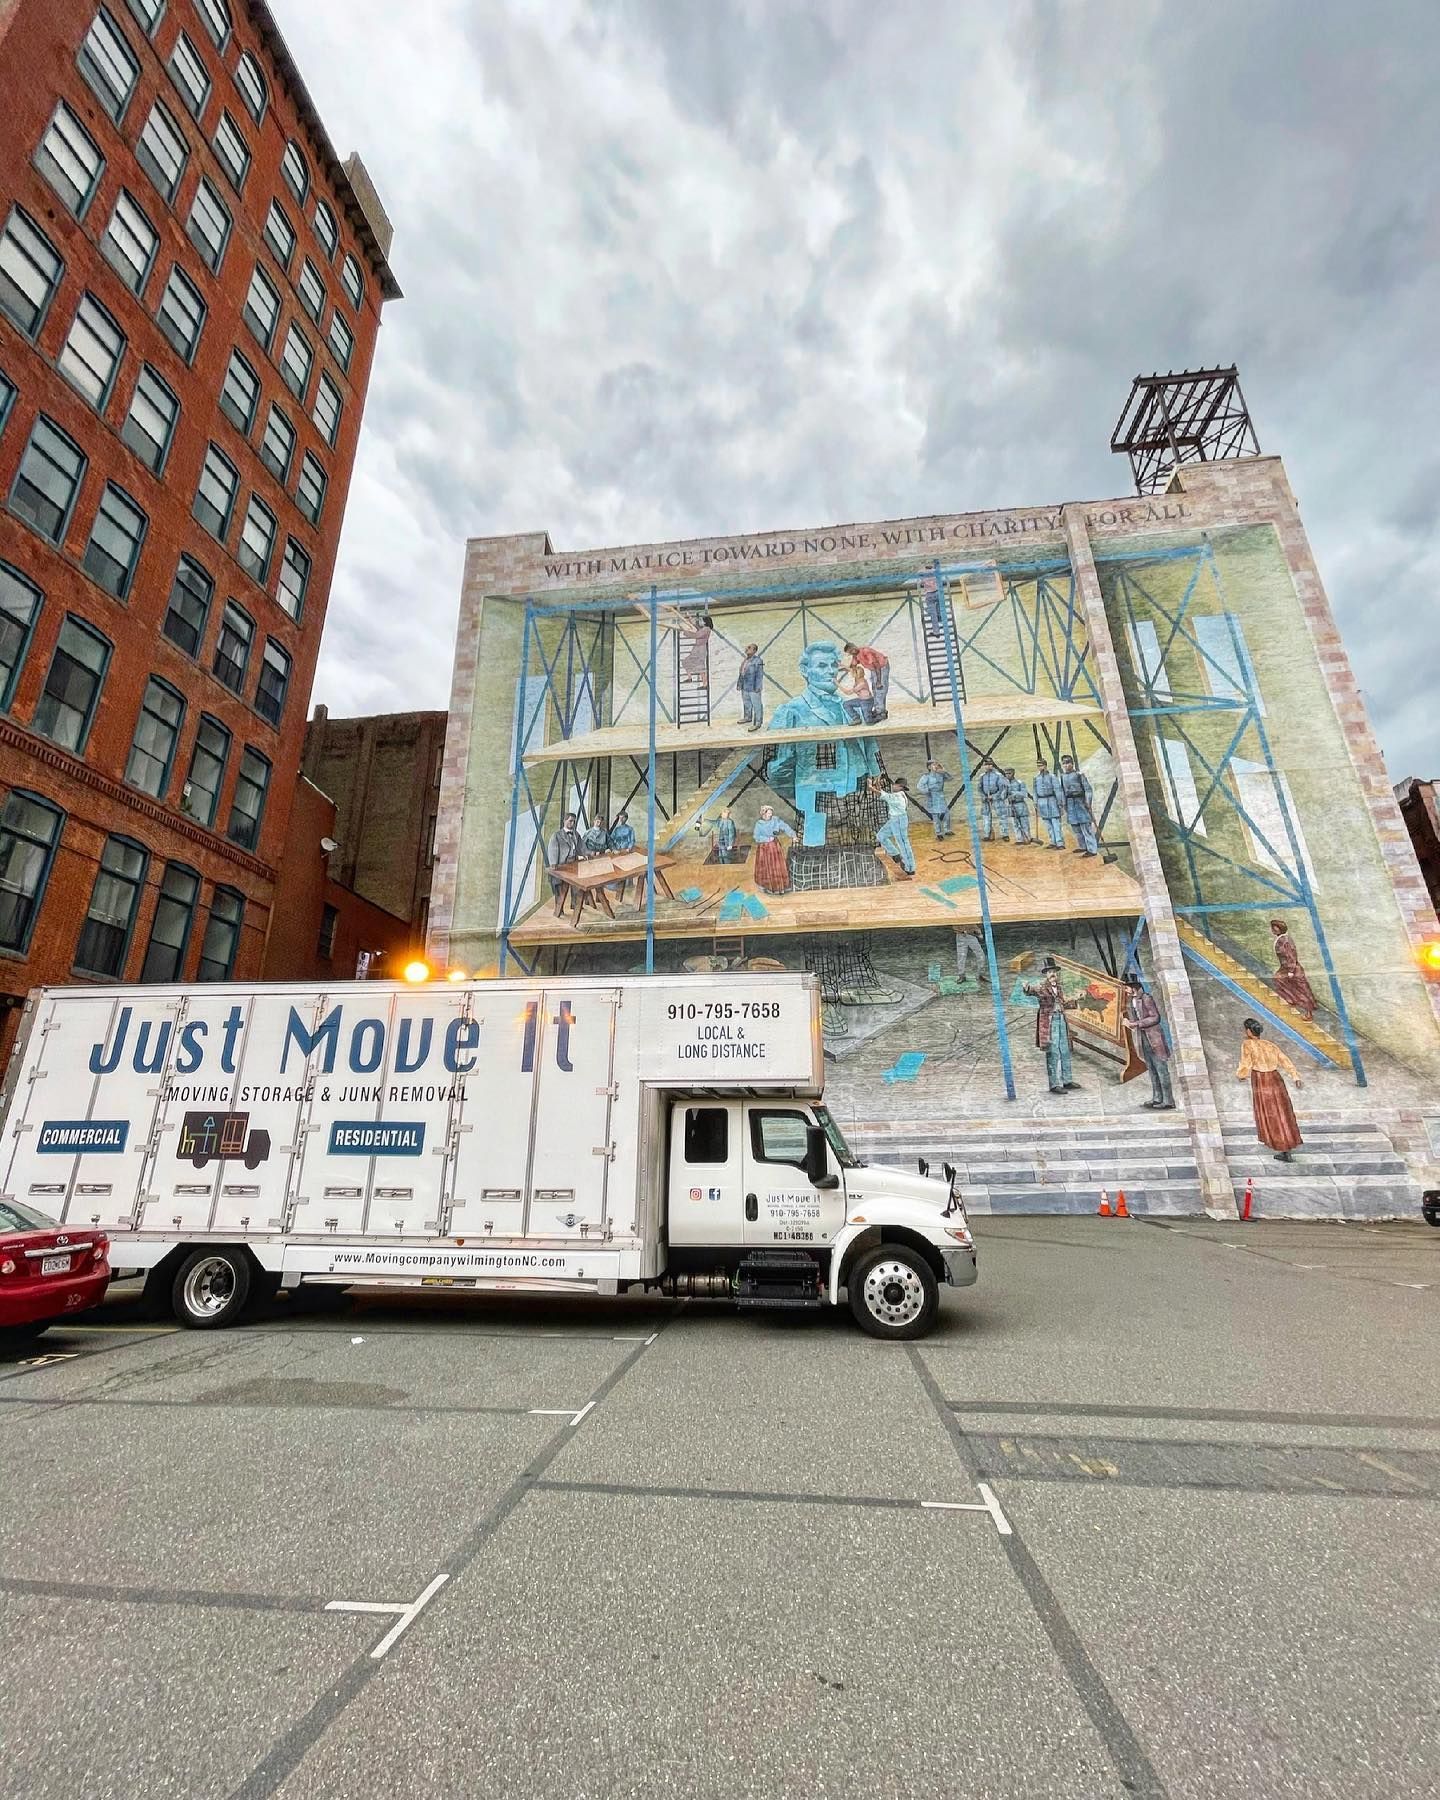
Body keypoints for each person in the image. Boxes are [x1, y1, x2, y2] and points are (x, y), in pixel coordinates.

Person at [767, 642, 883, 847]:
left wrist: (875, 772)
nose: (830, 671)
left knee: (860, 853)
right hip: (817, 798)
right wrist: (804, 788)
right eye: (821, 666)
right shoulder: (791, 710)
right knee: (816, 853)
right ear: (805, 670)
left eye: (833, 665)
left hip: (856, 795)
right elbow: (777, 769)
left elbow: (869, 741)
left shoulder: (852, 706)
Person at [1236, 1017, 1303, 1160]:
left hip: (1261, 1080)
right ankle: (1286, 1146)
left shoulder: (1247, 1044)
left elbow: (1246, 1062)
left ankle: (1281, 1145)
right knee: (1282, 1111)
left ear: (1248, 1031)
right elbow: (1284, 1060)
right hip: (1275, 1078)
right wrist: (1295, 1076)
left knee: (1270, 1112)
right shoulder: (1270, 1045)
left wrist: (1241, 1074)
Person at [1023, 956, 1080, 1093]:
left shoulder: (1059, 987)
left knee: (1065, 1050)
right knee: (1053, 1052)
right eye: (1049, 972)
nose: (1052, 974)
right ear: (1046, 974)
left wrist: (1076, 999)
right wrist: (1026, 988)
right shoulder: (1042, 987)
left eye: (1054, 971)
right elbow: (1032, 991)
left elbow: (1063, 1003)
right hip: (1050, 1023)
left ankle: (1067, 1080)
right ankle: (1054, 1084)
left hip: (1061, 1020)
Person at [1122, 972, 1174, 1109]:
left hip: (1154, 1038)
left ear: (1133, 987)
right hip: (1143, 1038)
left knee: (1161, 1069)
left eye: (1126, 987)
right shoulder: (1132, 1001)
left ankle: (1168, 1100)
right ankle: (1157, 1097)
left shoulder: (1146, 999)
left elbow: (1155, 1018)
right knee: (1151, 1069)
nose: (1125, 990)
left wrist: (1136, 1024)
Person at [1269, 919, 1317, 1020]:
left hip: (1292, 968)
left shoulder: (1284, 940)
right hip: (1285, 967)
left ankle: (1308, 1013)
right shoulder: (1281, 939)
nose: (1273, 929)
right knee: (1278, 979)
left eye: (1274, 928)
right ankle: (1291, 999)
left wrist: (1291, 971)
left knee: (1301, 990)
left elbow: (1291, 956)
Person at [876, 778, 916, 878]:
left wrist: (873, 788)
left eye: (895, 785)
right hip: (894, 820)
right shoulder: (897, 795)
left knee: (903, 843)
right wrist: (877, 785)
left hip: (899, 820)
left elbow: (885, 796)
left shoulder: (898, 796)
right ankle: (895, 854)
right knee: (881, 836)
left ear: (900, 787)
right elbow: (885, 795)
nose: (893, 786)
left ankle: (910, 868)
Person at [1059, 755, 1098, 856]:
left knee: (1085, 826)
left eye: (1068, 763)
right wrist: (1064, 804)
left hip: (1080, 802)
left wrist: (1088, 802)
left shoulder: (1079, 775)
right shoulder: (1062, 777)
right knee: (1076, 827)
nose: (1066, 765)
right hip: (1070, 804)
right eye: (1064, 763)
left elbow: (1088, 790)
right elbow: (1062, 791)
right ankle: (1083, 846)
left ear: (1072, 763)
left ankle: (1092, 850)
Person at [752, 805, 796, 893]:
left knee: (777, 865)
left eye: (771, 812)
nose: (770, 814)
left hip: (775, 846)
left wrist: (793, 835)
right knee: (766, 867)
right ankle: (767, 886)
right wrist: (767, 839)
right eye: (768, 813)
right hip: (764, 848)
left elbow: (785, 826)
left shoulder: (775, 820)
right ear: (763, 814)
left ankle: (780, 886)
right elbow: (756, 837)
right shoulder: (759, 824)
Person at [842, 641, 890, 720]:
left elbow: (876, 665)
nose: (851, 654)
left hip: (881, 667)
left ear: (854, 647)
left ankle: (881, 712)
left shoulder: (866, 651)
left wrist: (878, 681)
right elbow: (853, 666)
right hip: (873, 669)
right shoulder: (856, 655)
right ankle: (880, 709)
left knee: (880, 689)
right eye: (850, 653)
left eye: (851, 652)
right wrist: (842, 668)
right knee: (875, 689)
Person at [548, 813, 582, 903]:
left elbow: (582, 847)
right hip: (562, 864)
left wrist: (588, 853)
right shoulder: (557, 835)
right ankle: (559, 909)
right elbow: (552, 850)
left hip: (574, 863)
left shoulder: (576, 834)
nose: (572, 823)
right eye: (570, 821)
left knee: (576, 885)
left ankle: (575, 905)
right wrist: (553, 863)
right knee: (560, 888)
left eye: (574, 822)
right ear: (564, 821)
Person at [917, 761, 952, 839]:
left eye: (936, 764)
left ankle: (947, 830)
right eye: (933, 765)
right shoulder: (926, 776)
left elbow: (950, 778)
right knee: (935, 816)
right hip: (932, 796)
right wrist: (927, 791)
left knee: (946, 813)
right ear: (929, 767)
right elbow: (919, 786)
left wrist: (944, 771)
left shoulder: (941, 775)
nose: (936, 766)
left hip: (940, 796)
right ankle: (938, 833)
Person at [1033, 761, 1064, 848]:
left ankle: (1060, 843)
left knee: (1055, 823)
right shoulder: (1036, 778)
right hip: (1041, 802)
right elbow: (1034, 791)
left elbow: (1057, 790)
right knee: (1048, 824)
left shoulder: (1052, 777)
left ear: (1045, 766)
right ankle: (1052, 842)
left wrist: (1059, 803)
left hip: (1052, 801)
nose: (1040, 768)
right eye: (1038, 766)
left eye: (1041, 765)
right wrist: (1035, 802)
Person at [978, 762, 1010, 842]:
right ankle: (987, 835)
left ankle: (1005, 835)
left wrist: (994, 796)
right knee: (986, 817)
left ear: (992, 765)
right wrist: (984, 797)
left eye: (989, 764)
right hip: (986, 800)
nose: (988, 766)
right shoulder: (982, 776)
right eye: (986, 765)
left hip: (997, 799)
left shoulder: (998, 776)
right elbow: (979, 788)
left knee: (1002, 816)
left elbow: (1001, 789)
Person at [678, 613, 713, 685]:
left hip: (700, 649)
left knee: (700, 667)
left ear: (705, 622)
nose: (700, 622)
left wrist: (685, 631)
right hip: (697, 649)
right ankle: (690, 678)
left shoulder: (706, 629)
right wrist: (689, 617)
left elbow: (696, 635)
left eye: (701, 620)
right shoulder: (704, 629)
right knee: (687, 662)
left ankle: (704, 684)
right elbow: (696, 625)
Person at [736, 644, 765, 729]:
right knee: (746, 703)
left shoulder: (758, 661)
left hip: (754, 687)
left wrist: (758, 687)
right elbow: (741, 673)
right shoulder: (745, 660)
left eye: (749, 648)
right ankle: (747, 717)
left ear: (754, 650)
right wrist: (739, 684)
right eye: (747, 647)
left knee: (757, 705)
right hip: (744, 686)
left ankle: (758, 723)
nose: (746, 649)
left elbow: (759, 675)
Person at [842, 658, 876, 724]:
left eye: (854, 672)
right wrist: (841, 665)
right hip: (861, 700)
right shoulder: (857, 678)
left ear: (857, 674)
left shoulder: (862, 683)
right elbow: (850, 670)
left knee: (869, 722)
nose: (851, 673)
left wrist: (836, 683)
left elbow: (848, 692)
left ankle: (874, 713)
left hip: (867, 701)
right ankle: (856, 718)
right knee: (846, 704)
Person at [1005, 767, 1032, 844]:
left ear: (1013, 773)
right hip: (1011, 806)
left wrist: (1014, 793)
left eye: (1009, 773)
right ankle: (1019, 839)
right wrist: (1005, 790)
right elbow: (1003, 796)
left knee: (1024, 823)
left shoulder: (1020, 782)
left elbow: (1025, 794)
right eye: (1006, 774)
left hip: (1020, 805)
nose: (1008, 775)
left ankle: (1027, 838)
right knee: (1015, 824)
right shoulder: (1005, 784)